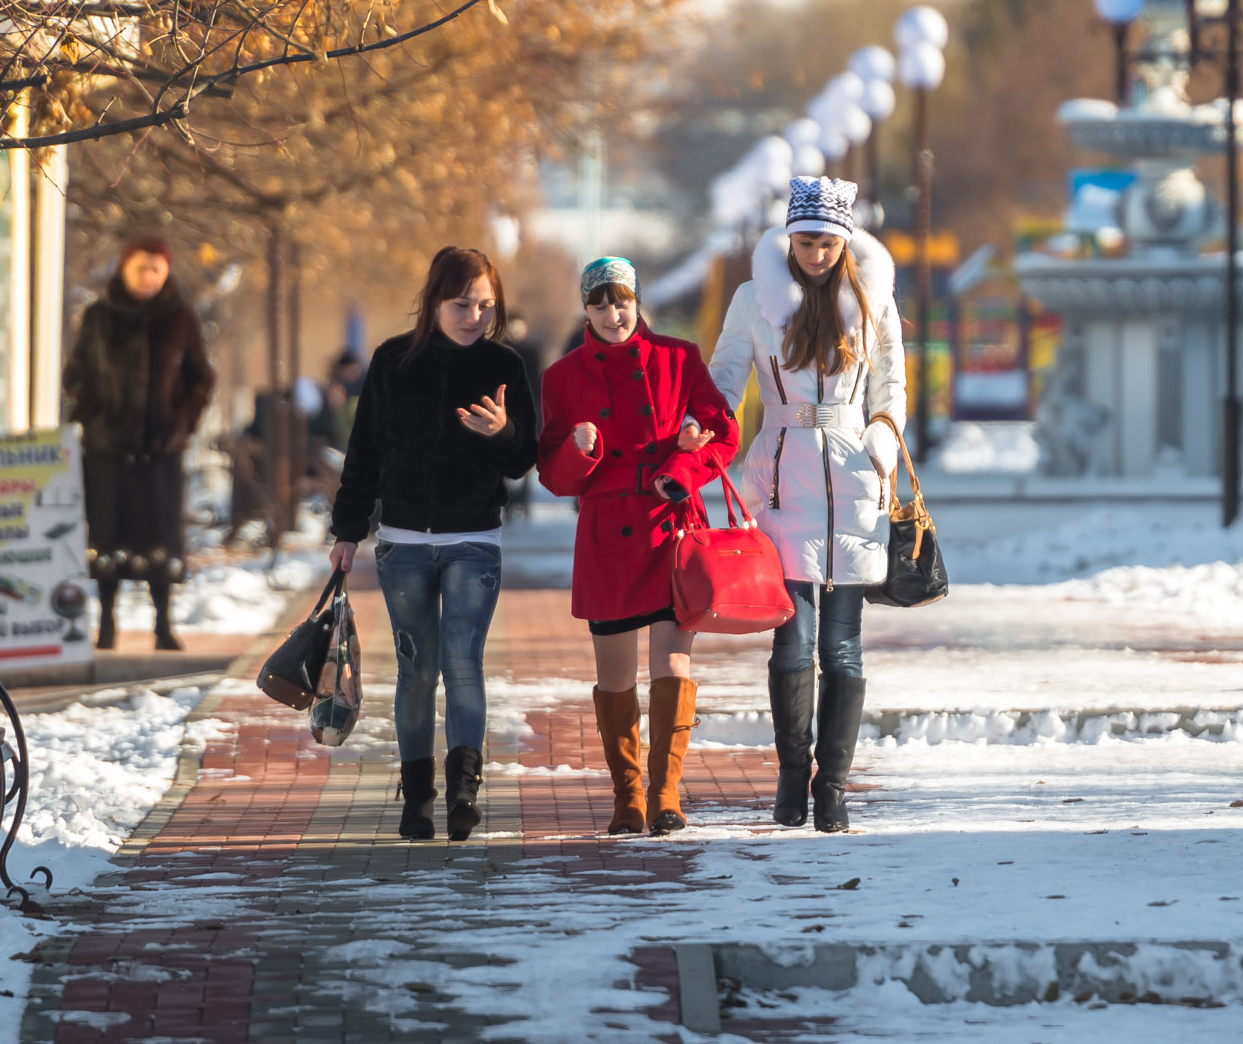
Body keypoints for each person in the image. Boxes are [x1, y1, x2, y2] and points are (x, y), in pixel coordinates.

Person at [710, 176, 905, 832]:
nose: (815, 253)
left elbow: (891, 382)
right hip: (782, 476)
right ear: (787, 239)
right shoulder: (753, 300)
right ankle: (793, 775)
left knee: (842, 647)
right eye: (804, 241)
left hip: (854, 479)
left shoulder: (872, 297)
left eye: (826, 242)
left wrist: (880, 440)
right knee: (792, 640)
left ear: (844, 242)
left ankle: (836, 787)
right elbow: (725, 377)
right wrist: (705, 427)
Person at [326, 246, 540, 843]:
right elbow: (364, 453)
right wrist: (347, 532)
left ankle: (465, 792)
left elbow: (527, 459)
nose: (474, 315)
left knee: (463, 664)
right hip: (402, 543)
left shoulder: (505, 364)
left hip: (474, 537)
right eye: (462, 304)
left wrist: (505, 433)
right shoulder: (394, 361)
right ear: (434, 302)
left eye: (485, 305)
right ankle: (417, 797)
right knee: (416, 672)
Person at [536, 256, 739, 834]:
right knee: (615, 675)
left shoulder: (680, 358)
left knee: (672, 662)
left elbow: (722, 433)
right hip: (607, 536)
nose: (612, 314)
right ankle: (627, 798)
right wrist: (580, 449)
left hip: (671, 527)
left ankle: (666, 795)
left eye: (621, 301)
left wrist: (682, 462)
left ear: (638, 300)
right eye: (599, 304)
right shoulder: (562, 376)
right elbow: (553, 475)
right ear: (586, 310)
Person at [63, 236, 216, 651]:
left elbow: (201, 377)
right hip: (107, 449)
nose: (148, 277)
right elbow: (75, 374)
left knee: (160, 537)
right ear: (124, 268)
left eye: (156, 269)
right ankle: (107, 622)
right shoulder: (99, 316)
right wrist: (94, 410)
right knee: (108, 536)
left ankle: (163, 624)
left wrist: (181, 420)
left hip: (160, 451)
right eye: (140, 268)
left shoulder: (179, 317)